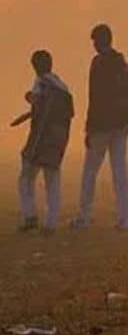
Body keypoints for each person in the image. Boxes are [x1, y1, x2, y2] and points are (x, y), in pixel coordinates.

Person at [71, 24, 128, 230]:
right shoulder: (123, 64)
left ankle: (84, 216)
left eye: (94, 41)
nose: (93, 45)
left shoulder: (98, 64)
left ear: (100, 41)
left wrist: (88, 128)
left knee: (90, 172)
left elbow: (95, 98)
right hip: (120, 126)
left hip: (101, 126)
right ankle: (124, 218)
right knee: (120, 172)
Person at [11, 50, 74, 232]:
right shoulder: (62, 86)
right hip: (58, 139)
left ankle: (29, 215)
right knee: (52, 181)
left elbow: (37, 103)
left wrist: (28, 96)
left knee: (26, 179)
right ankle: (51, 223)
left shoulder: (41, 83)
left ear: (35, 66)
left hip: (41, 138)